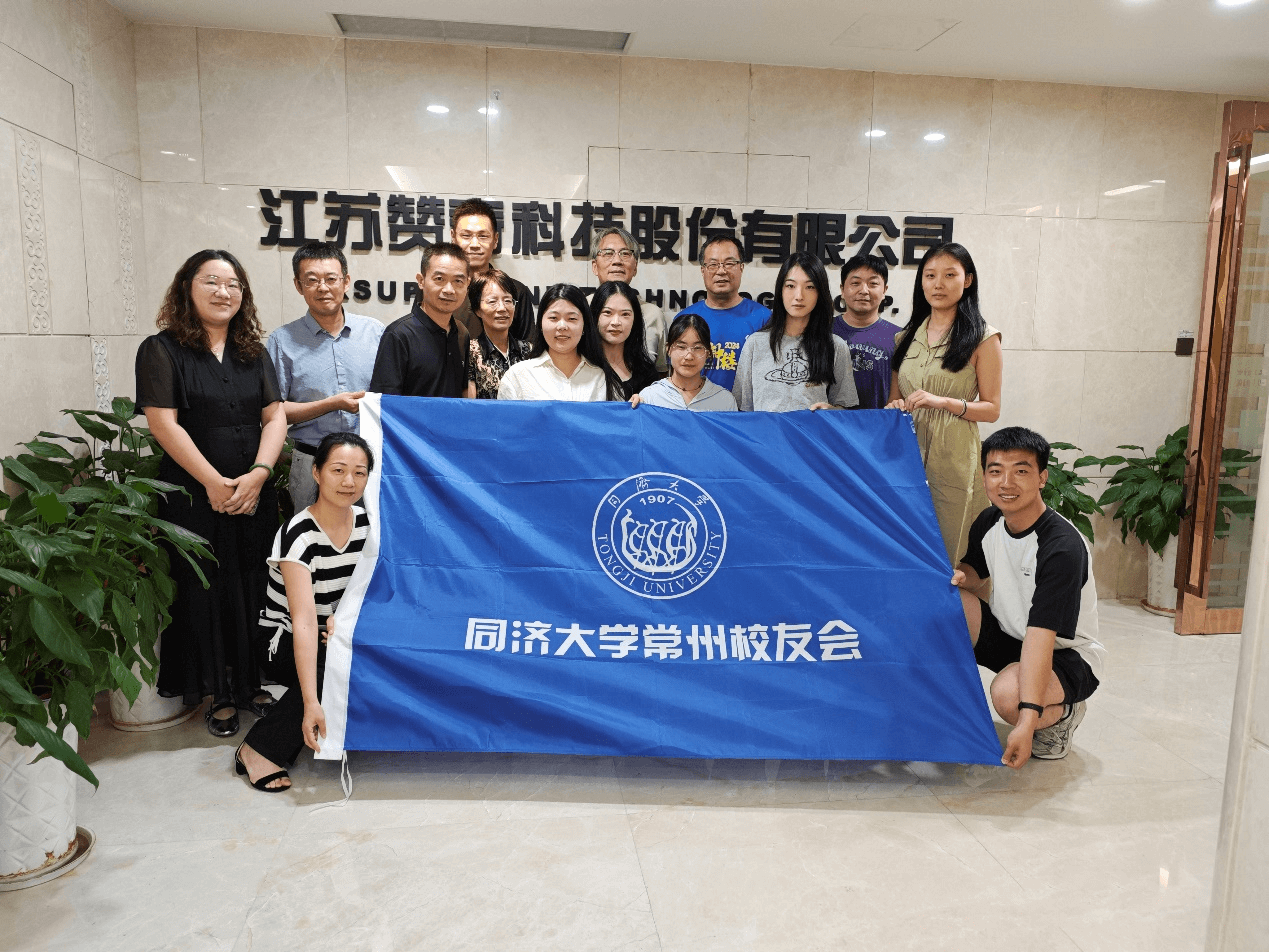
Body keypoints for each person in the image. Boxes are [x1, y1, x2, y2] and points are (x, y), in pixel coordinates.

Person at [135, 249, 287, 738]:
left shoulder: (252, 351)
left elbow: (275, 416)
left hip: (253, 491)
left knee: (251, 584)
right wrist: (212, 482)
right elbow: (163, 423)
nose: (224, 292)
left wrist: (260, 473)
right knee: (205, 590)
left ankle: (251, 684)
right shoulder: (161, 349)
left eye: (233, 284)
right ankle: (218, 692)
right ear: (187, 288)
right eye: (212, 282)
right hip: (193, 493)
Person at [951, 427, 1105, 769]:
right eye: (996, 471)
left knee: (1009, 697)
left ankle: (1063, 714)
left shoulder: (1061, 547)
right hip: (1011, 637)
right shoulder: (990, 520)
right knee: (947, 602)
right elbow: (974, 568)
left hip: (1067, 655)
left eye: (1021, 471)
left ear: (1042, 478)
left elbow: (1041, 637)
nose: (1006, 483)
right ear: (985, 477)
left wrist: (1025, 722)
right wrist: (961, 576)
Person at [234, 432, 373, 791]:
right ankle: (258, 749)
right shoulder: (298, 535)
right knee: (334, 665)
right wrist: (312, 702)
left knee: (364, 653)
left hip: (332, 632)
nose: (348, 481)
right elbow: (305, 623)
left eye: (359, 472)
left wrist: (345, 621)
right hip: (282, 637)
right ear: (316, 472)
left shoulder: (368, 526)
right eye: (338, 470)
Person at [886, 242, 1003, 565]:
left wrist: (944, 402)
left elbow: (992, 409)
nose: (938, 284)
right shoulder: (904, 338)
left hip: (953, 452)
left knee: (950, 544)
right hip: (905, 451)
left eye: (950, 275)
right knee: (904, 543)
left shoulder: (984, 338)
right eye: (930, 275)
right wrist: (893, 407)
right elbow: (893, 399)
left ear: (968, 280)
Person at [267, 241, 384, 512]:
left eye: (331, 279)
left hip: (368, 463)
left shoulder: (375, 333)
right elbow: (274, 411)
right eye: (312, 280)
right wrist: (332, 404)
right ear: (298, 286)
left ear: (346, 282)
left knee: (368, 534)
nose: (323, 287)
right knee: (309, 535)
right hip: (311, 461)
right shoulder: (282, 340)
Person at [732, 252, 858, 412]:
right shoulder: (755, 344)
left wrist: (832, 411)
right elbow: (743, 410)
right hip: (764, 429)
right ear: (780, 290)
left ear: (820, 293)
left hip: (812, 429)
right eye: (790, 286)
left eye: (810, 287)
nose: (799, 296)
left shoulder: (835, 346)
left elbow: (845, 407)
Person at [369, 242, 471, 397]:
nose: (449, 290)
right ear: (421, 280)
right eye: (439, 279)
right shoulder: (399, 335)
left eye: (458, 281)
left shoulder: (462, 334)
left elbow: (462, 391)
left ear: (467, 284)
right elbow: (384, 402)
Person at [677, 234, 770, 392]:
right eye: (713, 264)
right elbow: (676, 376)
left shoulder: (763, 318)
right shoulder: (684, 318)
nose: (721, 271)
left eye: (729, 263)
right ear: (703, 270)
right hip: (696, 406)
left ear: (741, 267)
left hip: (745, 408)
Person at [497, 284, 622, 402]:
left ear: (584, 326)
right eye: (553, 318)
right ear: (540, 324)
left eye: (572, 318)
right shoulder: (518, 376)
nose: (562, 326)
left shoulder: (601, 377)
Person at [447, 197, 535, 341]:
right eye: (466, 235)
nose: (474, 244)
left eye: (483, 236)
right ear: (453, 237)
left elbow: (528, 348)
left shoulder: (516, 292)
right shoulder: (436, 289)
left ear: (495, 240)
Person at [591, 227, 669, 371]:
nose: (617, 261)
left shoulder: (653, 314)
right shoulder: (580, 309)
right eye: (608, 253)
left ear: (635, 268)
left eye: (625, 253)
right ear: (595, 267)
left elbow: (661, 373)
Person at [832, 253, 902, 409]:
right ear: (842, 289)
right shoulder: (823, 331)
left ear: (884, 290)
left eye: (873, 284)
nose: (864, 290)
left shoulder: (899, 337)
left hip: (879, 422)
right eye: (855, 283)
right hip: (831, 421)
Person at [634, 313, 738, 411]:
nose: (689, 356)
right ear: (668, 349)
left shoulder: (724, 401)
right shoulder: (650, 397)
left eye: (697, 348)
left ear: (708, 353)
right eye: (681, 347)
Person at [464, 269, 532, 399]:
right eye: (492, 301)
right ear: (478, 310)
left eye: (508, 301)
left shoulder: (528, 350)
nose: (502, 308)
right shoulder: (470, 352)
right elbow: (470, 406)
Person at [592, 280, 660, 400]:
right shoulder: (582, 365)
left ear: (635, 320)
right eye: (607, 312)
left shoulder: (646, 372)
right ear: (595, 315)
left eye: (625, 314)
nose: (616, 322)